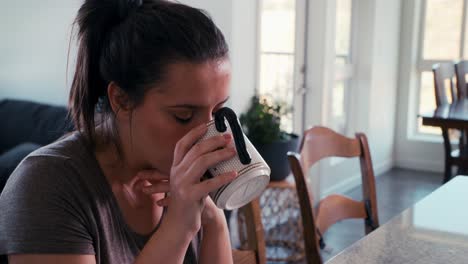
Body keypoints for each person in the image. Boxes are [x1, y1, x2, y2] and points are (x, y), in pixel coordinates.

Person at [0, 0, 238, 263]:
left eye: (217, 113)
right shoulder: (46, 186)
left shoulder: (185, 185)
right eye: (183, 116)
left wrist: (213, 219)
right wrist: (178, 227)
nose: (208, 134)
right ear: (122, 100)